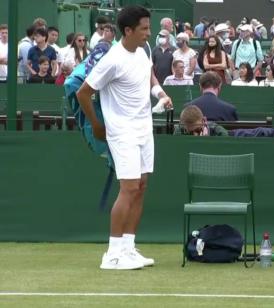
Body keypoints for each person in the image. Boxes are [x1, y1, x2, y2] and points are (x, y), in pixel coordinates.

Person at [76, 5, 173, 270]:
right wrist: (96, 125)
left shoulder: (142, 52)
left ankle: (129, 249)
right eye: (144, 29)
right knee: (129, 188)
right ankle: (113, 254)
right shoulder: (112, 59)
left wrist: (161, 94)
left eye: (149, 27)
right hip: (121, 132)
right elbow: (83, 93)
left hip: (144, 129)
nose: (149, 33)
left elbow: (150, 77)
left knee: (141, 188)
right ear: (128, 30)